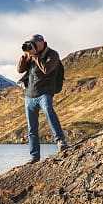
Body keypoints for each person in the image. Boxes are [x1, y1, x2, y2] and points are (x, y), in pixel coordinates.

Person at [18, 34, 68, 163]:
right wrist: (25, 57)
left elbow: (46, 69)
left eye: (35, 42)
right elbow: (20, 70)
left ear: (42, 42)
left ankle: (61, 142)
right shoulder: (30, 55)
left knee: (49, 112)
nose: (32, 45)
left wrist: (35, 56)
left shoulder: (52, 54)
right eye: (31, 43)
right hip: (29, 95)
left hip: (45, 92)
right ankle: (34, 157)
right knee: (31, 128)